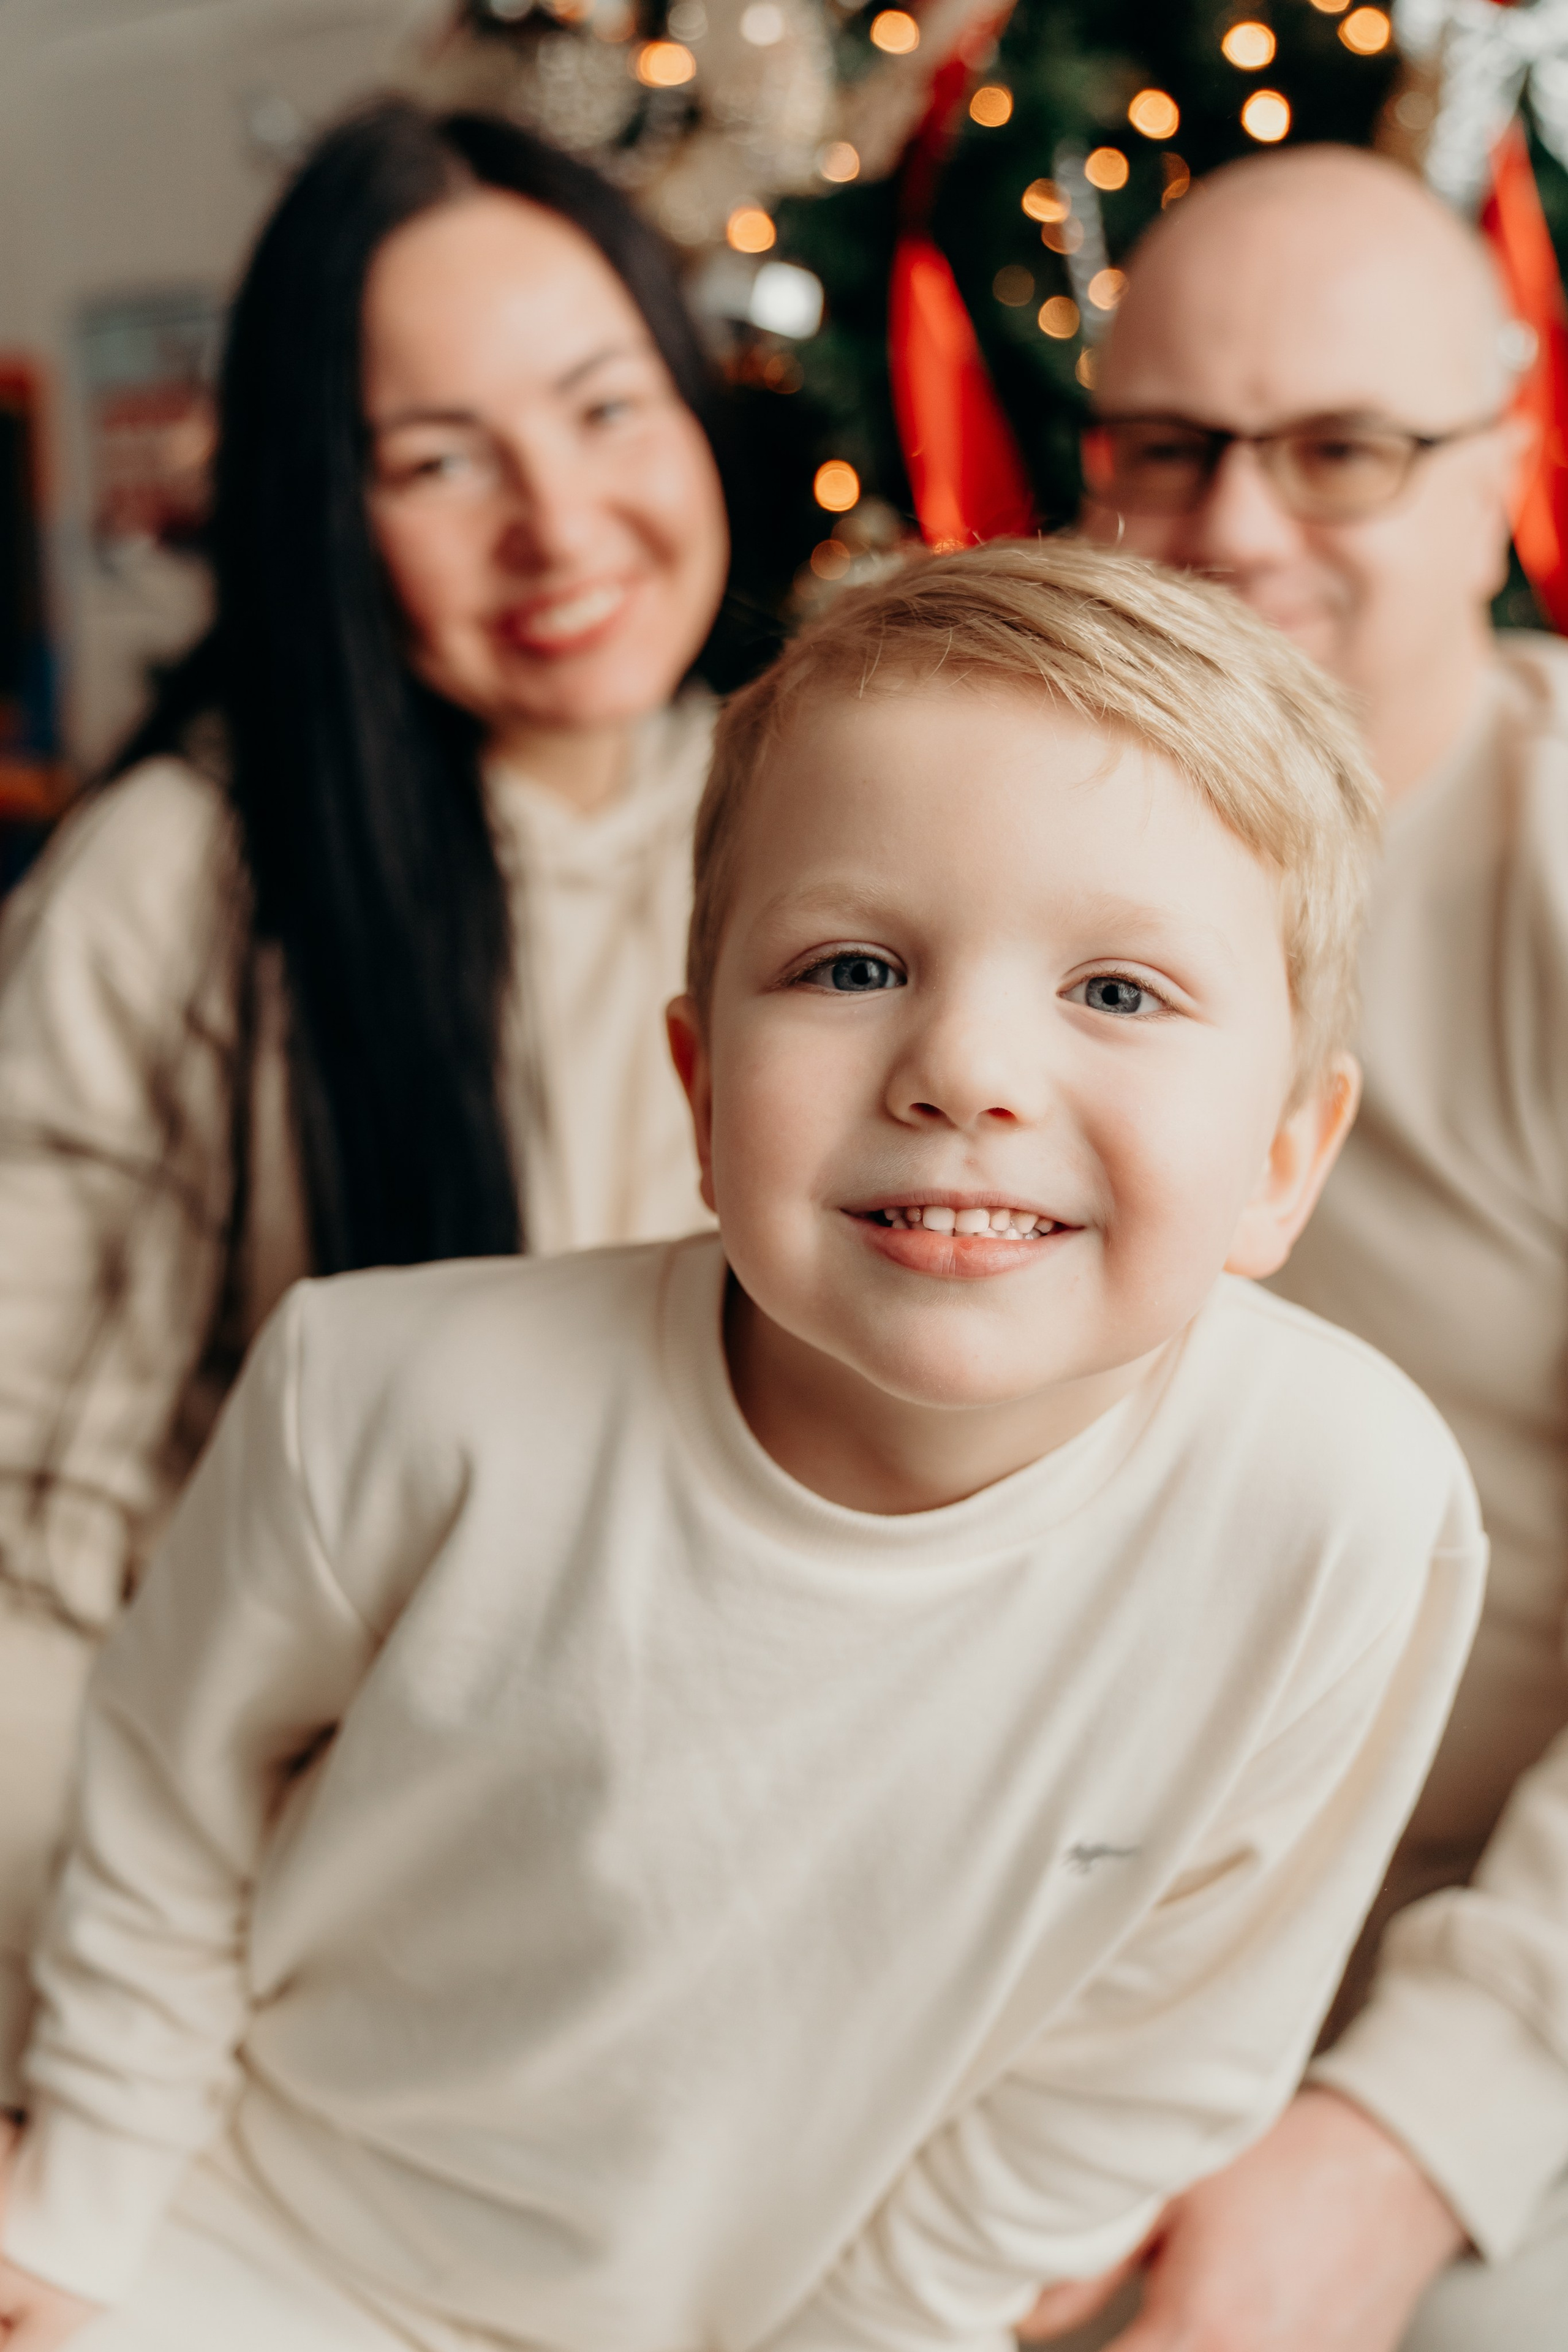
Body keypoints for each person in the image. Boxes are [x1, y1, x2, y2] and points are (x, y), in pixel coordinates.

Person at [0, 540, 1483, 2351]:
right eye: (853, 964)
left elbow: (1154, 2050)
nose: (965, 1070)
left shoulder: (1341, 1509)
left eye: (1118, 992)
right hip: (266, 2239)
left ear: (1283, 1160)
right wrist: (85, 2202)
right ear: (701, 1092)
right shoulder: (381, 1398)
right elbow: (169, 1788)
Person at [0, 100, 735, 2101]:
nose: (560, 525)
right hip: (270, 1949)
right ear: (325, 507)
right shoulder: (184, 887)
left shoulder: (827, 826)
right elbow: (29, 1560)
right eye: (437, 460)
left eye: (607, 410)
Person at [1038, 143, 1568, 2352]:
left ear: (1501, 466)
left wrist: (1409, 2131)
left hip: (1489, 1940)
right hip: (1053, 1906)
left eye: (1341, 449)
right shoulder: (992, 833)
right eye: (1169, 448)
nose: (1238, 527)